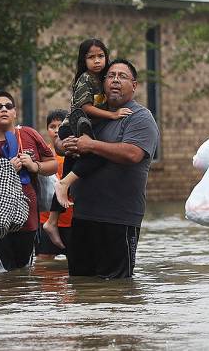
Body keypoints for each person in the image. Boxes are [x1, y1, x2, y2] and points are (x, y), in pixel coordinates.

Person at [59, 59, 160, 279]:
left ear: (134, 85)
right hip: (83, 215)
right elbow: (62, 139)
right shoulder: (93, 115)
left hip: (118, 218)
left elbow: (133, 154)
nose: (115, 80)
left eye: (122, 76)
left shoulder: (140, 117)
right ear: (102, 83)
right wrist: (65, 145)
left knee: (116, 291)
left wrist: (92, 145)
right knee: (80, 286)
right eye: (110, 76)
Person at [0, 90, 57, 272]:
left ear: (15, 112)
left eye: (8, 106)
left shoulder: (29, 135)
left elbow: (52, 164)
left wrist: (35, 166)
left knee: (23, 272)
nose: (4, 109)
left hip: (28, 216)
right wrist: (6, 170)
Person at [51, 38, 134, 210]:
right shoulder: (86, 79)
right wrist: (112, 115)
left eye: (101, 56)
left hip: (84, 126)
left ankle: (52, 220)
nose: (97, 61)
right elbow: (86, 108)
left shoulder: (103, 78)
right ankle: (64, 184)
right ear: (84, 60)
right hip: (73, 126)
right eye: (91, 57)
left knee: (70, 166)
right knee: (97, 157)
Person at [36, 110, 74, 258]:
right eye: (52, 126)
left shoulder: (75, 151)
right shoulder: (43, 154)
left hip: (71, 220)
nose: (57, 130)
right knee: (44, 264)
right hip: (45, 219)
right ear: (47, 130)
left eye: (60, 125)